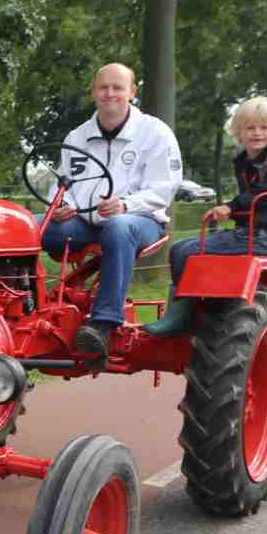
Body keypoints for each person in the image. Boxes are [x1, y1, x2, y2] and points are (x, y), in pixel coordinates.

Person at [39, 61, 183, 357]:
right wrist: (62, 205)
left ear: (132, 92)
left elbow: (164, 188)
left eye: (117, 87)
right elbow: (61, 183)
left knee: (119, 227)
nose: (109, 93)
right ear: (93, 92)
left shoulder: (155, 133)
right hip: (84, 222)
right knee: (27, 226)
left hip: (140, 220)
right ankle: (22, 308)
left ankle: (103, 325)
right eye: (103, 87)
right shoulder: (76, 137)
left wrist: (126, 205)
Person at [148, 97, 267, 336]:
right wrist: (233, 210)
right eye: (250, 127)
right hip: (248, 231)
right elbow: (249, 197)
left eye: (264, 127)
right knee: (179, 249)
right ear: (239, 132)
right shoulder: (242, 160)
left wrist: (231, 207)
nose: (257, 133)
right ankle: (187, 311)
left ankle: (180, 318)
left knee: (186, 251)